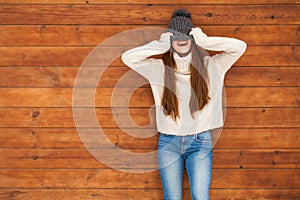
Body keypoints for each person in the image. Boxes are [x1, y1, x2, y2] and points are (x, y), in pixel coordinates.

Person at [122, 9, 247, 200]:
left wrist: (204, 41)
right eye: (176, 36)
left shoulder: (212, 66)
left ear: (193, 38)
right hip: (168, 143)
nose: (182, 39)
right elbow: (128, 58)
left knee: (200, 196)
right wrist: (162, 44)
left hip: (200, 142)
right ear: (170, 39)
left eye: (186, 35)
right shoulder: (158, 70)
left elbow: (240, 46)